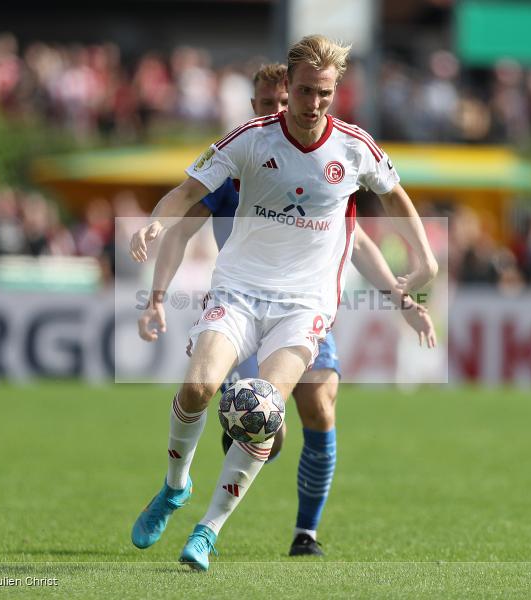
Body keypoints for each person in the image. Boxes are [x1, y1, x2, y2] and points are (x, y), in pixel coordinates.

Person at [128, 34, 438, 571]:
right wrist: (157, 221)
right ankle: (175, 487)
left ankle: (209, 530)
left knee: (266, 414)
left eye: (324, 92)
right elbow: (185, 193)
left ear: (336, 90)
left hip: (304, 306)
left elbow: (392, 198)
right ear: (286, 88)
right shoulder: (249, 140)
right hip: (239, 292)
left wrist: (423, 261)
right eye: (302, 91)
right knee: (198, 387)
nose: (312, 103)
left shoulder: (355, 146)